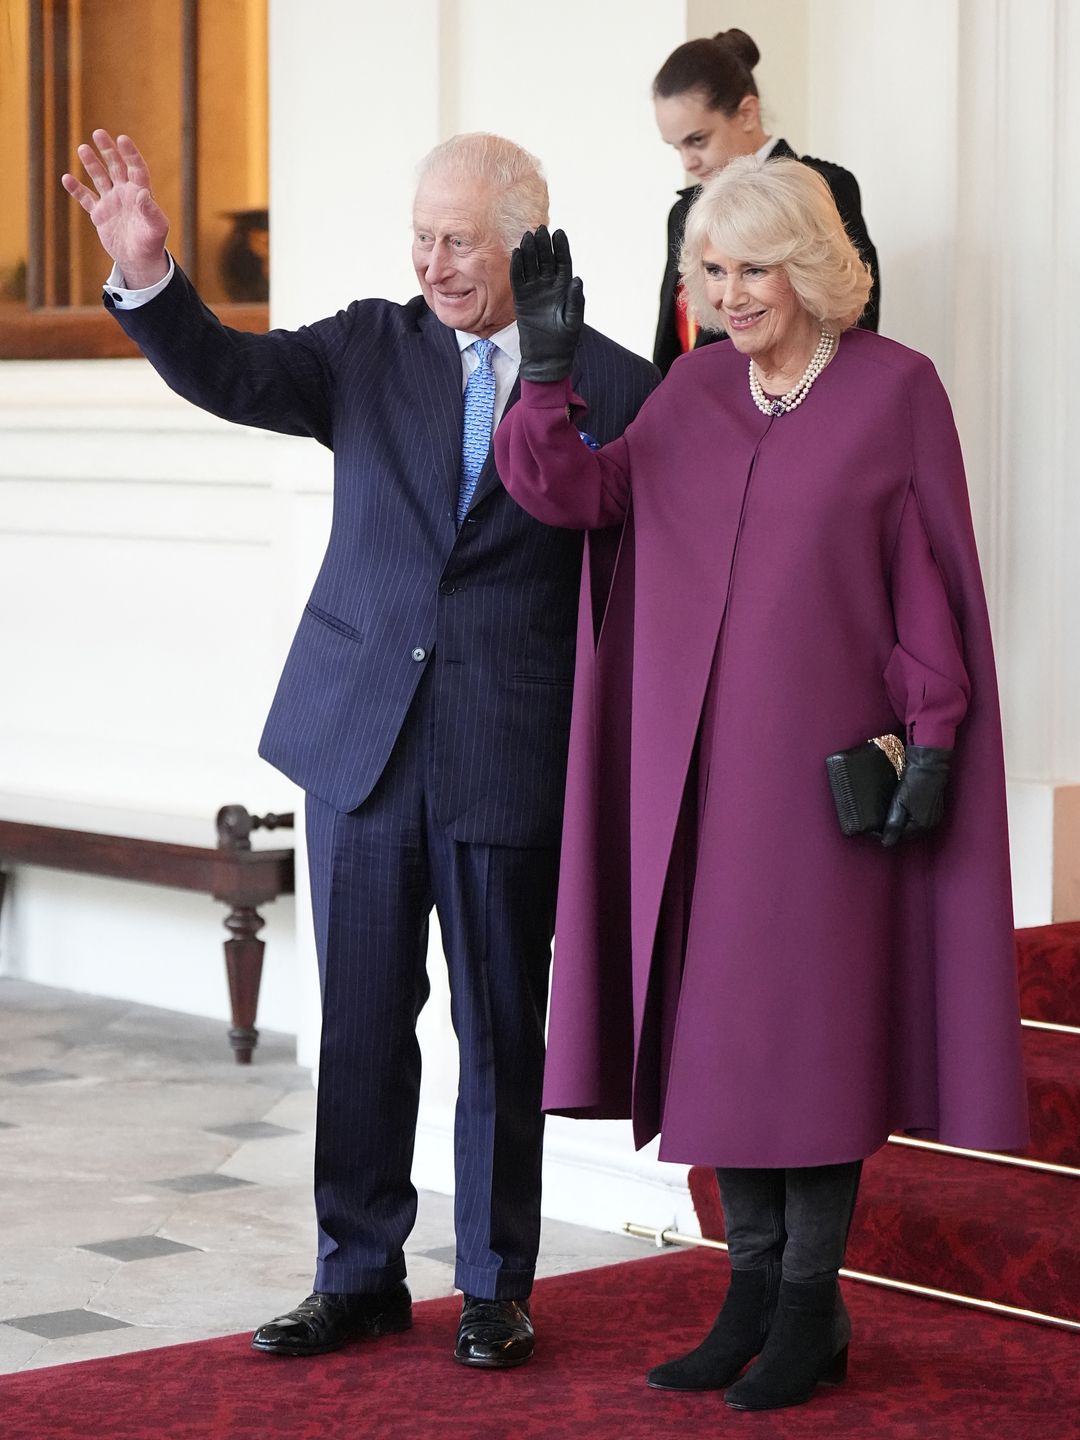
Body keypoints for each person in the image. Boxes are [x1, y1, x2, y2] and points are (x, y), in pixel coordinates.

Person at [63, 128, 658, 1369]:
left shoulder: (614, 379)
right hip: (359, 749)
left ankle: (495, 1286)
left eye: (459, 241)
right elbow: (229, 373)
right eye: (421, 237)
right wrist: (150, 276)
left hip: (507, 748)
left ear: (527, 243)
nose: (433, 263)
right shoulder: (367, 346)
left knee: (502, 1033)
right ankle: (358, 1274)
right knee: (365, 1025)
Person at [494, 156, 1028, 1411]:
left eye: (753, 267)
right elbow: (571, 493)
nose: (731, 293)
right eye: (712, 270)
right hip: (699, 785)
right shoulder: (690, 394)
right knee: (723, 1047)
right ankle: (751, 1292)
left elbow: (926, 572)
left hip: (826, 786)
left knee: (815, 1050)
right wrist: (550, 372)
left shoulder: (896, 390)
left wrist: (937, 732)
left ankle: (806, 1310)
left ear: (815, 267)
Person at [651, 28, 880, 375]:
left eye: (697, 140)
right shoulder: (684, 213)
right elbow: (675, 340)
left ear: (746, 113)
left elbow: (854, 318)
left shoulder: (823, 187)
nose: (688, 162)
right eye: (676, 147)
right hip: (696, 406)